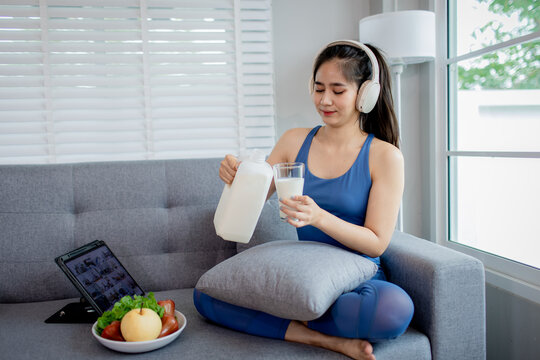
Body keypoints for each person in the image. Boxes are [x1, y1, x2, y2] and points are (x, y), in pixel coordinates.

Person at [194, 40, 414, 360]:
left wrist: (320, 217)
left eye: (338, 91)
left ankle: (291, 323)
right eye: (319, 88)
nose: (325, 100)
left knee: (393, 310)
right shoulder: (294, 140)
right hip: (304, 277)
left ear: (365, 95)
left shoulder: (385, 156)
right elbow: (250, 201)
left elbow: (376, 243)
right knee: (205, 297)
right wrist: (238, 176)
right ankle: (322, 339)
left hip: (357, 277)